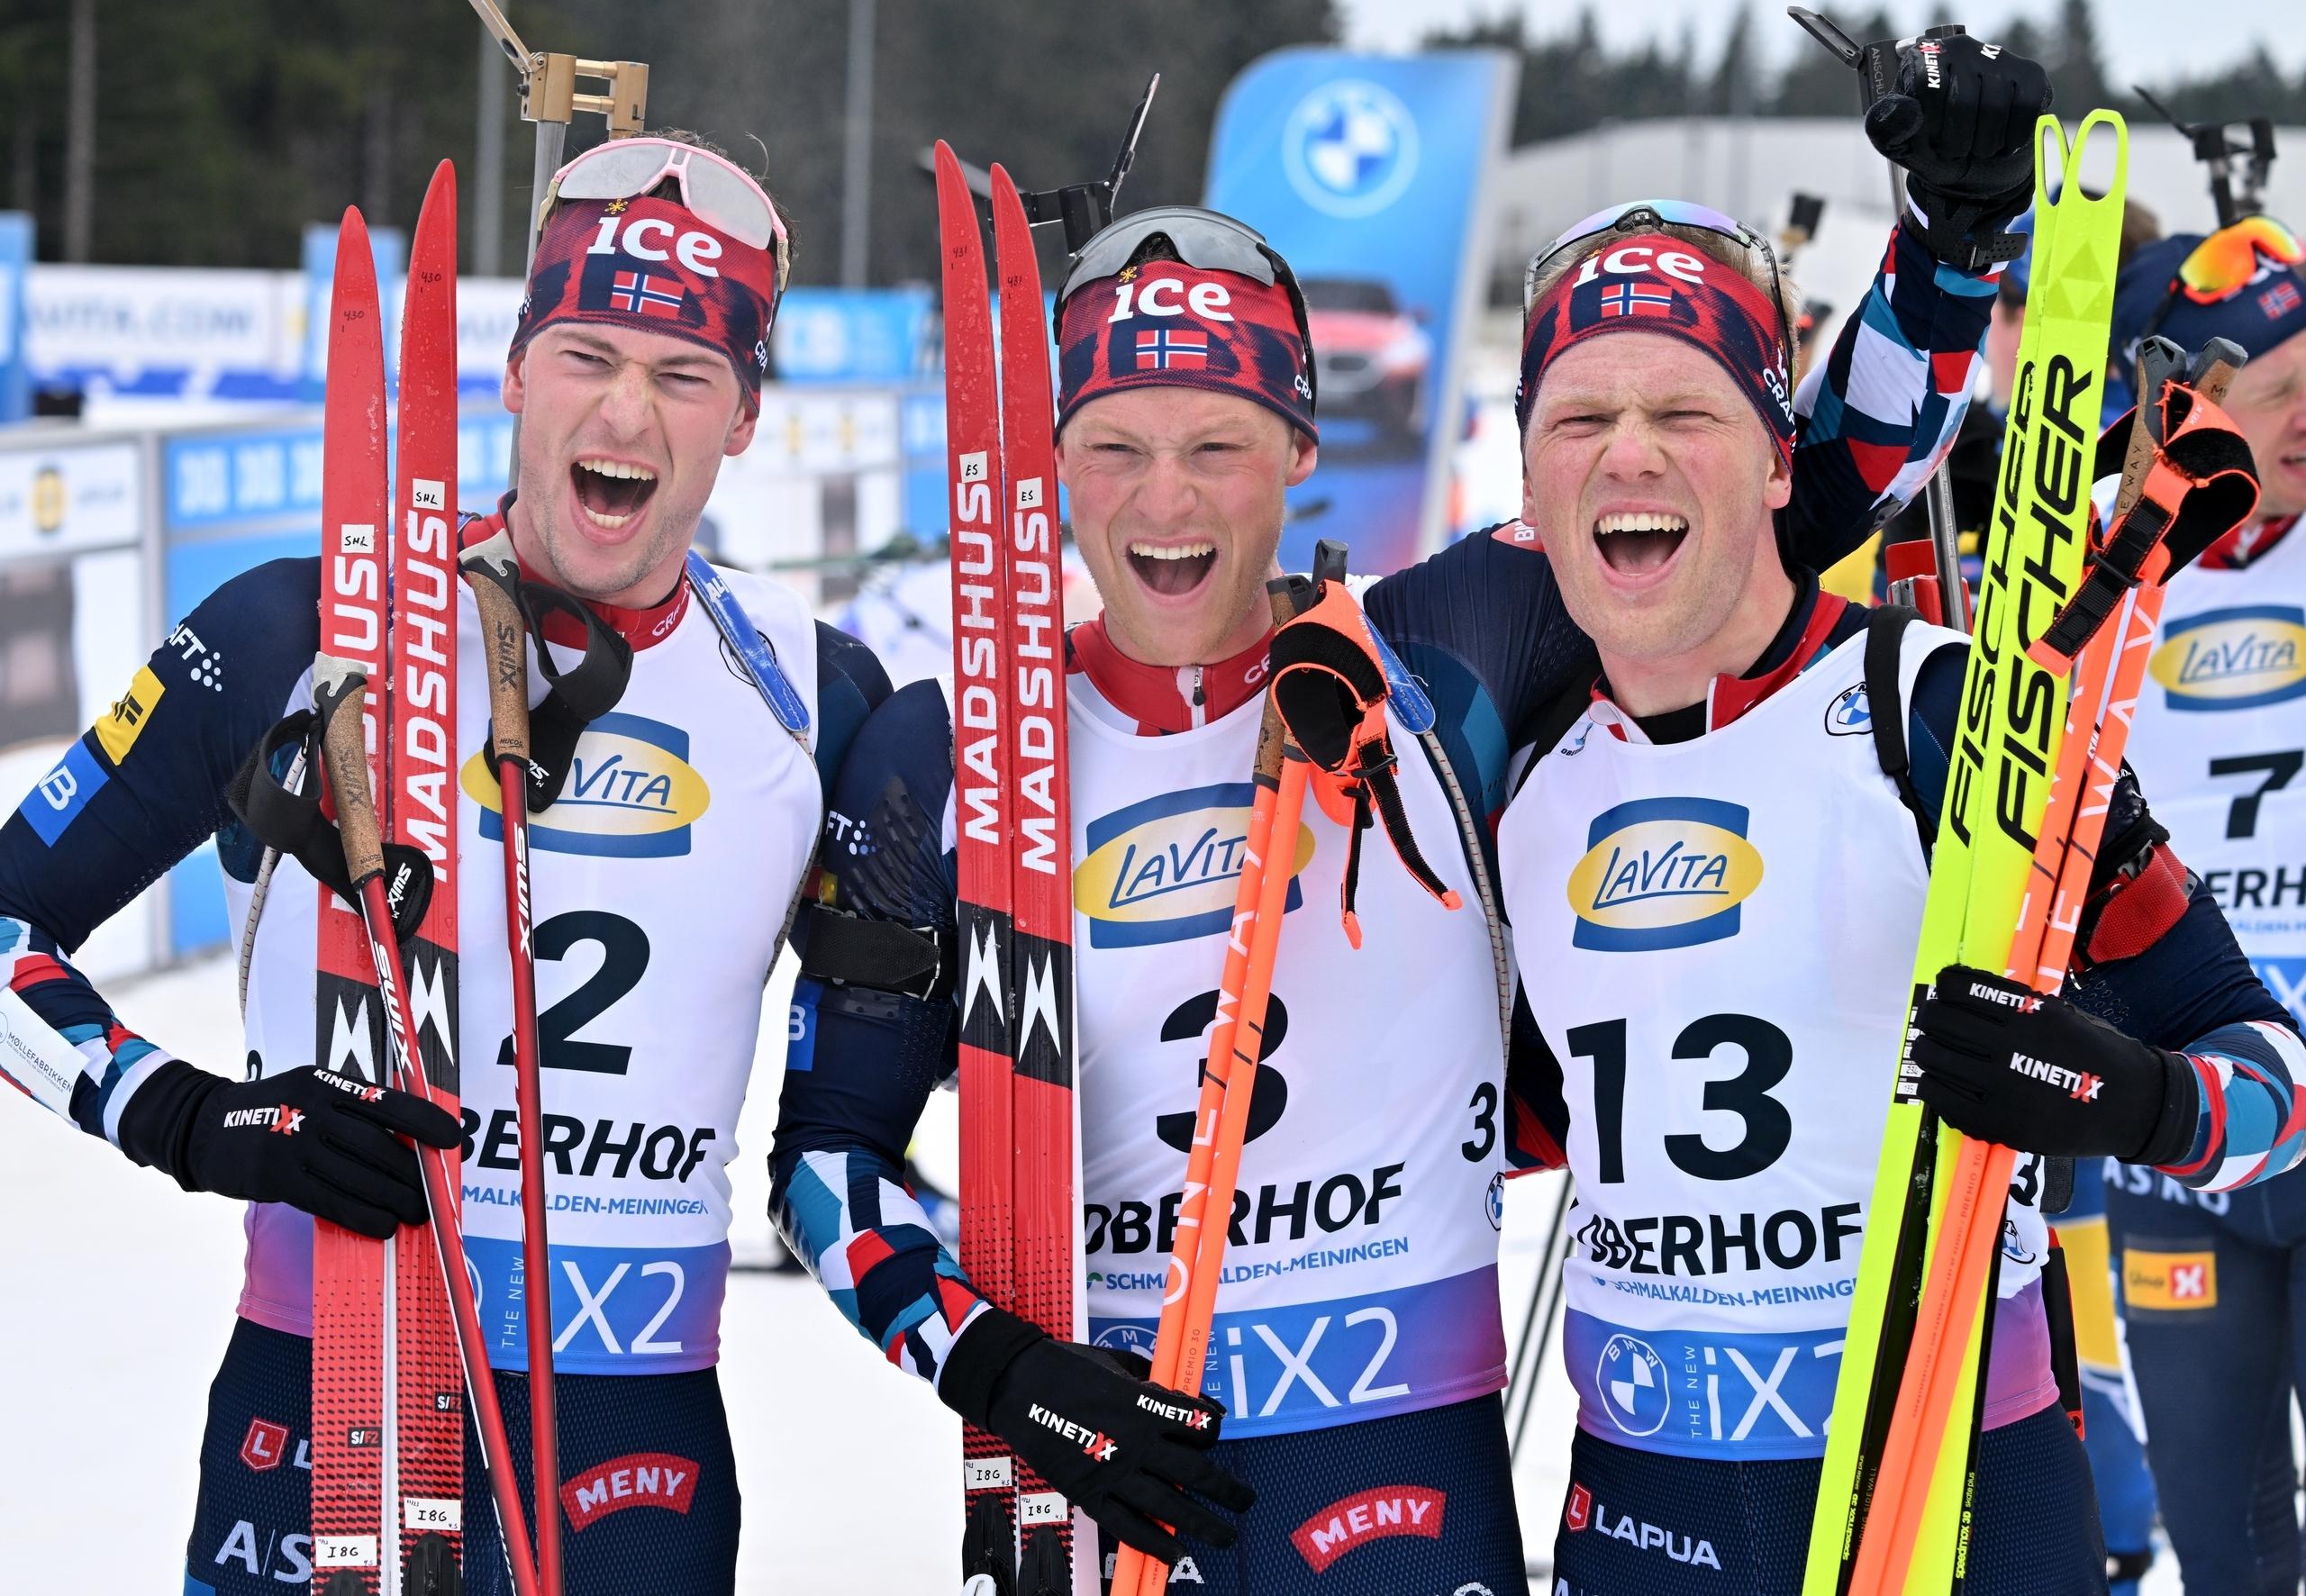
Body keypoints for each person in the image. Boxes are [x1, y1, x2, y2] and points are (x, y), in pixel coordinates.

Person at [769, 31, 2059, 1591]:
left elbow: (1776, 494)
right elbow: (825, 1164)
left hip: (1400, 1468)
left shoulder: (1445, 650)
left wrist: (1951, 243)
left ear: (1299, 452)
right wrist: (1003, 1372)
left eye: (1219, 447)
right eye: (1113, 446)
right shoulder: (957, 746)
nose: (1165, 501)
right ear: (1051, 464)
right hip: (1099, 1469)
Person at [0, 134, 889, 1594]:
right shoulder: (297, 633)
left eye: (683, 375)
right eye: (587, 355)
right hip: (324, 1383)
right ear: (513, 373)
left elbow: (891, 1082)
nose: (627, 410)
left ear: (744, 419)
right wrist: (186, 1115)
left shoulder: (815, 693)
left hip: (634, 1439)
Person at [1492, 169, 2304, 1591]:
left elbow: (2272, 1071)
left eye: (1686, 410)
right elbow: (1489, 1113)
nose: (1629, 455)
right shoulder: (1504, 769)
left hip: (1964, 1493)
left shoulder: (1948, 714)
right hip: (1639, 1516)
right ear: (1527, 475)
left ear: (1776, 457)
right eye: (1580, 417)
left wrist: (2135, 1094)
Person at [2102, 213, 2306, 1595]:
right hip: (2181, 1137)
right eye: (2281, 387)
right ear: (2183, 402)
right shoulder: (2098, 580)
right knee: (2224, 1543)